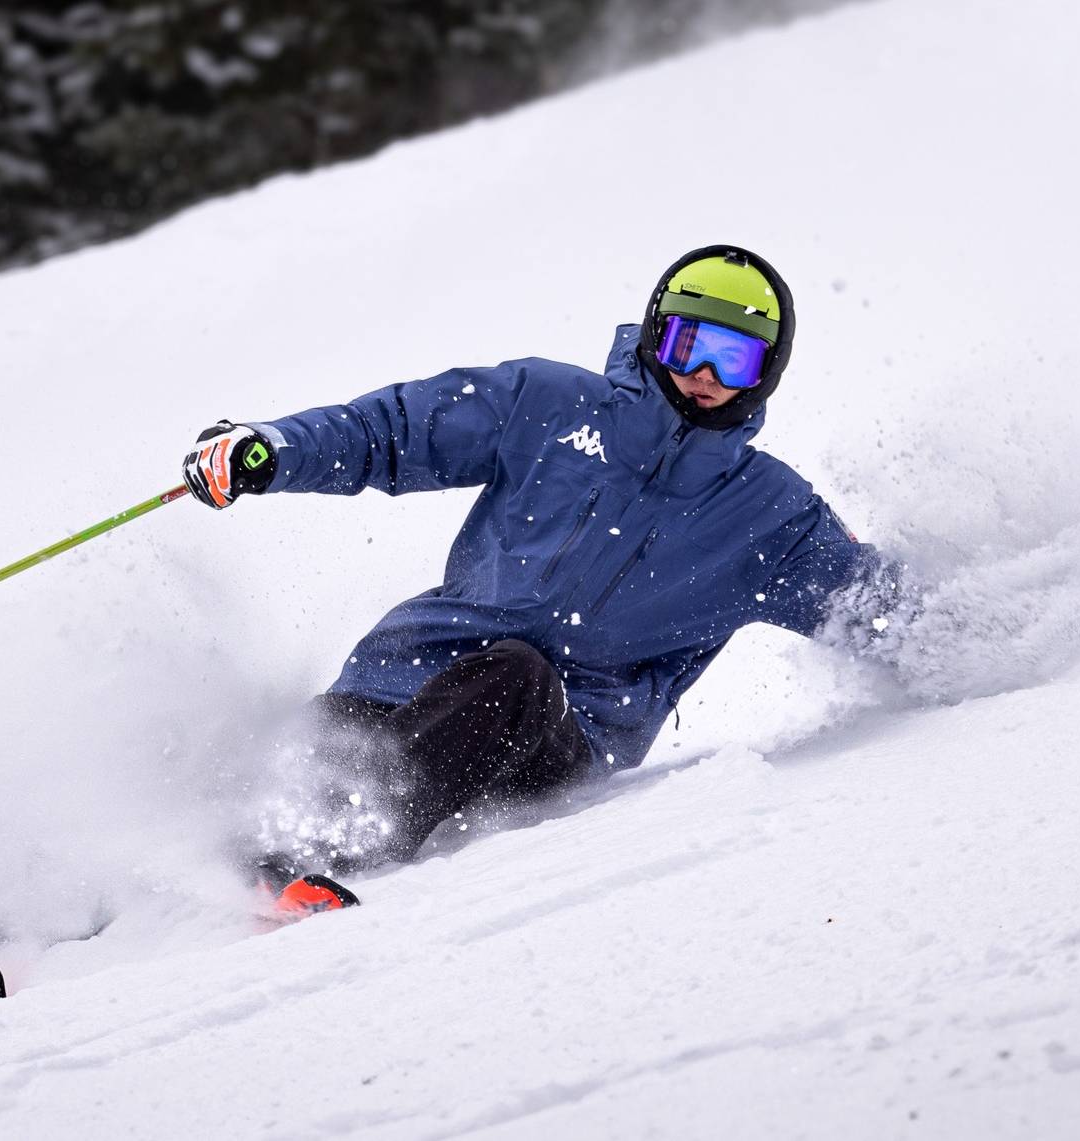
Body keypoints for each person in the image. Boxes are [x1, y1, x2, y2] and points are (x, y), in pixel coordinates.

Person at [181, 244, 902, 913]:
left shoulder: (768, 514)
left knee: (517, 677)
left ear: (765, 373)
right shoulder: (548, 404)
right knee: (278, 764)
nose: (705, 375)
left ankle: (331, 842)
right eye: (688, 345)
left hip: (557, 731)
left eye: (734, 359)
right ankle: (169, 870)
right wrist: (272, 449)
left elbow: (880, 613)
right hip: (406, 676)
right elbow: (394, 431)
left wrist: (962, 630)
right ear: (657, 338)